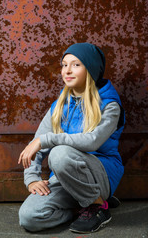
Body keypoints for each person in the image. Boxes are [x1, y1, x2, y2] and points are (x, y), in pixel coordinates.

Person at [18, 42, 125, 233]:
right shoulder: (59, 105)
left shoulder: (109, 106)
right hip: (65, 175)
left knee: (59, 154)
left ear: (91, 69)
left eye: (76, 64)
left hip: (100, 174)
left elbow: (93, 141)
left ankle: (98, 205)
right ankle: (84, 207)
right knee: (29, 217)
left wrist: (46, 141)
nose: (67, 70)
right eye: (64, 64)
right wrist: (32, 178)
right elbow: (36, 144)